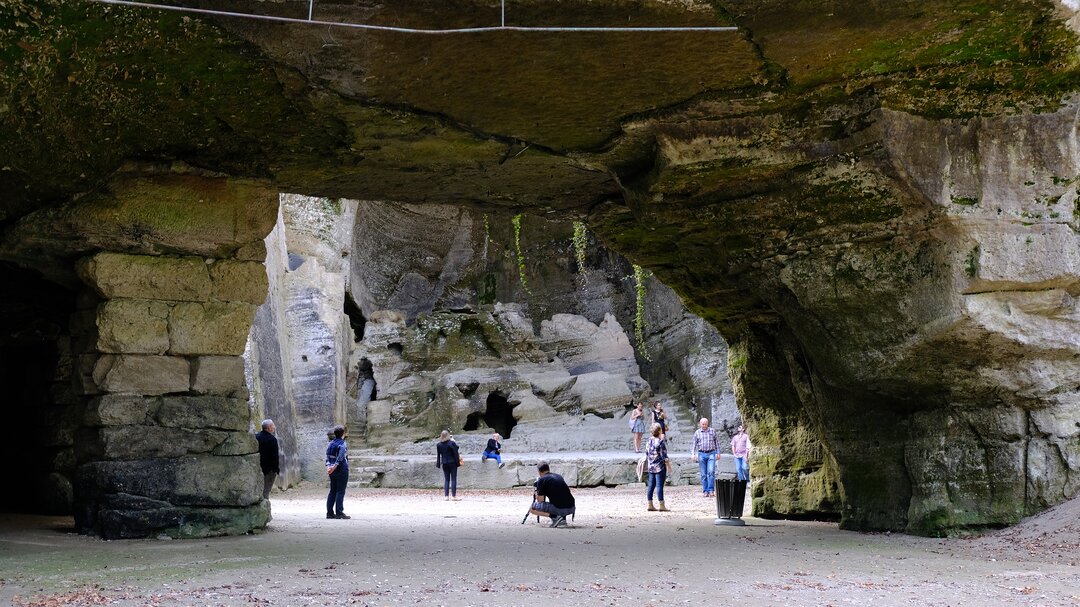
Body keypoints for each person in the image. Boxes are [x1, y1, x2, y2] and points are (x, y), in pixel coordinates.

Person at [529, 462, 576, 527]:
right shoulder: (558, 476)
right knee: (559, 499)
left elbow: (540, 500)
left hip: (560, 509)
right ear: (548, 469)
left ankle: (555, 517)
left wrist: (537, 491)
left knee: (532, 508)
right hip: (571, 507)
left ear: (539, 471)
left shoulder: (542, 480)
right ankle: (562, 520)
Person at [325, 425, 350, 519]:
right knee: (340, 491)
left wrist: (328, 467)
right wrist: (334, 467)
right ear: (343, 434)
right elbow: (340, 458)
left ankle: (329, 513)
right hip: (341, 469)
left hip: (331, 470)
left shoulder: (330, 443)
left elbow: (327, 456)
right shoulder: (343, 444)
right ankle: (339, 512)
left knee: (332, 491)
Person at [645, 423, 671, 512]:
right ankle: (661, 505)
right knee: (660, 486)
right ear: (660, 431)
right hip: (660, 466)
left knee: (651, 486)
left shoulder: (649, 441)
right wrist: (669, 466)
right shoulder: (660, 442)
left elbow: (647, 453)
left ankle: (650, 504)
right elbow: (664, 456)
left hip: (651, 466)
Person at [691, 417, 719, 498]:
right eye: (702, 424)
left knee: (711, 472)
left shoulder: (712, 431)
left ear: (708, 424)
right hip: (701, 454)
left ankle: (711, 490)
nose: (704, 425)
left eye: (705, 424)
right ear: (700, 424)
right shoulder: (697, 433)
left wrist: (718, 453)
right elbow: (694, 444)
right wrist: (693, 454)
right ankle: (705, 491)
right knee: (703, 474)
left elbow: (716, 442)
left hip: (711, 453)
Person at [255, 418, 280, 500]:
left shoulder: (256, 437)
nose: (274, 427)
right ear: (269, 427)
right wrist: (276, 469)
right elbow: (275, 456)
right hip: (269, 470)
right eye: (273, 425)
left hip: (257, 468)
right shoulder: (272, 439)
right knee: (266, 491)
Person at [436, 430, 461, 500]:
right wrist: (454, 441)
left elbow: (439, 455)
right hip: (452, 462)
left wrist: (438, 463)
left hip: (444, 463)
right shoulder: (451, 443)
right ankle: (453, 496)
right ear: (448, 435)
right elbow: (456, 450)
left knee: (446, 480)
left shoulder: (439, 445)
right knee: (453, 479)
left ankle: (446, 496)